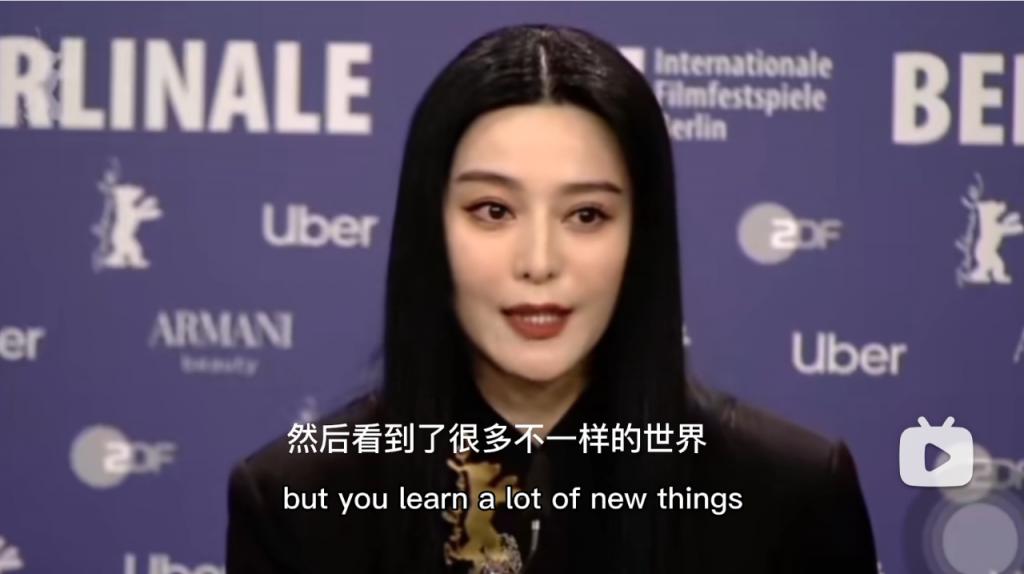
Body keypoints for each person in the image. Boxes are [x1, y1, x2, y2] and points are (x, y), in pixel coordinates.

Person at [226, 24, 878, 573]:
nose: (539, 262)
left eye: (587, 215)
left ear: (642, 236)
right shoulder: (294, 499)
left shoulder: (791, 492)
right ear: (429, 229)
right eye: (492, 210)